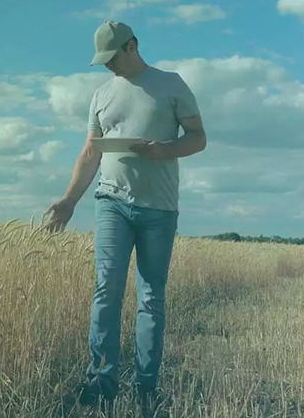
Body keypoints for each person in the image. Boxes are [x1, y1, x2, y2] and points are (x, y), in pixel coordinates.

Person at [43, 21, 206, 416]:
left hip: (159, 208)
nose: (107, 67)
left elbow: (198, 138)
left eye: (112, 58)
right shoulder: (101, 94)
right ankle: (101, 379)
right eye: (103, 61)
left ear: (132, 46)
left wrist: (164, 149)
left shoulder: (171, 84)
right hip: (111, 202)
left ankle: (147, 386)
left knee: (151, 298)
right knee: (106, 291)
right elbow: (89, 154)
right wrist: (69, 201)